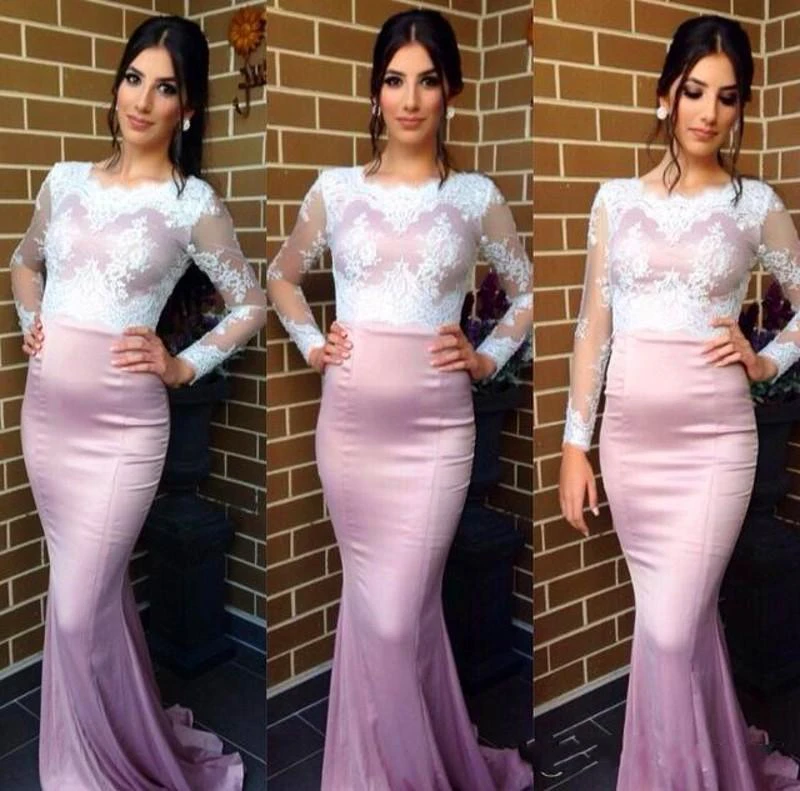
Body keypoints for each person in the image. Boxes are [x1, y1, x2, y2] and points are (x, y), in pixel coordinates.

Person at [267, 8, 532, 791]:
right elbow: (281, 275)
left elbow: (526, 293)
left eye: (427, 81)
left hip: (437, 432)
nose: (410, 99)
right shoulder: (336, 190)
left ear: (451, 90)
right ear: (375, 91)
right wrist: (312, 343)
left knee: (395, 614)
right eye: (394, 80)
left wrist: (484, 356)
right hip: (350, 429)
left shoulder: (475, 196)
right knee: (381, 610)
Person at [10, 15, 266, 791]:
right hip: (48, 419)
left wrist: (181, 364)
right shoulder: (65, 181)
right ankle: (109, 735)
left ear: (188, 109)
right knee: (87, 595)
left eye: (165, 88)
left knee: (78, 607)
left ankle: (89, 771)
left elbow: (250, 304)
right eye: (133, 79)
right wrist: (32, 320)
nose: (142, 100)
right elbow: (23, 262)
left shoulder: (192, 203)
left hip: (124, 430)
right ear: (117, 85)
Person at [559, 14, 800, 791]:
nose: (709, 112)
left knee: (668, 631)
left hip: (716, 444)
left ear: (741, 109)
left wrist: (766, 357)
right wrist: (574, 444)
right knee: (678, 627)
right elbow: (593, 327)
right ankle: (708, 765)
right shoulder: (613, 201)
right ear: (665, 94)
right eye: (695, 91)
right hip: (631, 445)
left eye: (727, 98)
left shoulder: (754, 204)